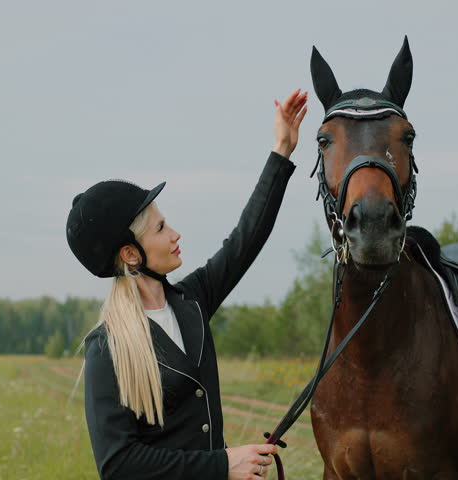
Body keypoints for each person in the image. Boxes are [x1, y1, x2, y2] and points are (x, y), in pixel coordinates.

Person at [66, 89, 308, 479]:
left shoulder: (191, 302)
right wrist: (223, 465)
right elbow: (118, 465)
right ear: (131, 255)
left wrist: (282, 150)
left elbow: (245, 241)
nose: (175, 234)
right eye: (160, 228)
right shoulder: (106, 348)